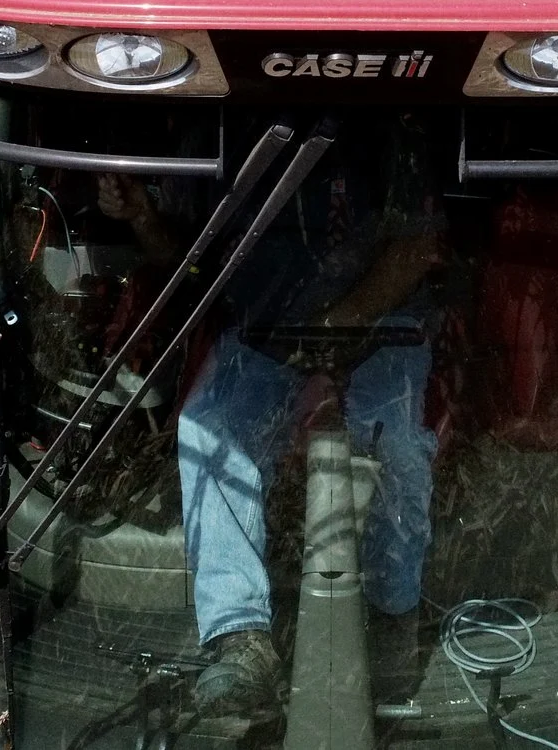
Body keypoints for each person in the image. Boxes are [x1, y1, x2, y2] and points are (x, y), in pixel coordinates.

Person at [96, 124, 444, 721]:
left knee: (401, 447)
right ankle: (240, 639)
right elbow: (186, 260)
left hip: (383, 325)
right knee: (208, 425)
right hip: (265, 332)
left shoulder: (387, 127)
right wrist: (142, 217)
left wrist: (340, 322)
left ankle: (392, 624)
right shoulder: (221, 131)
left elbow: (417, 247)